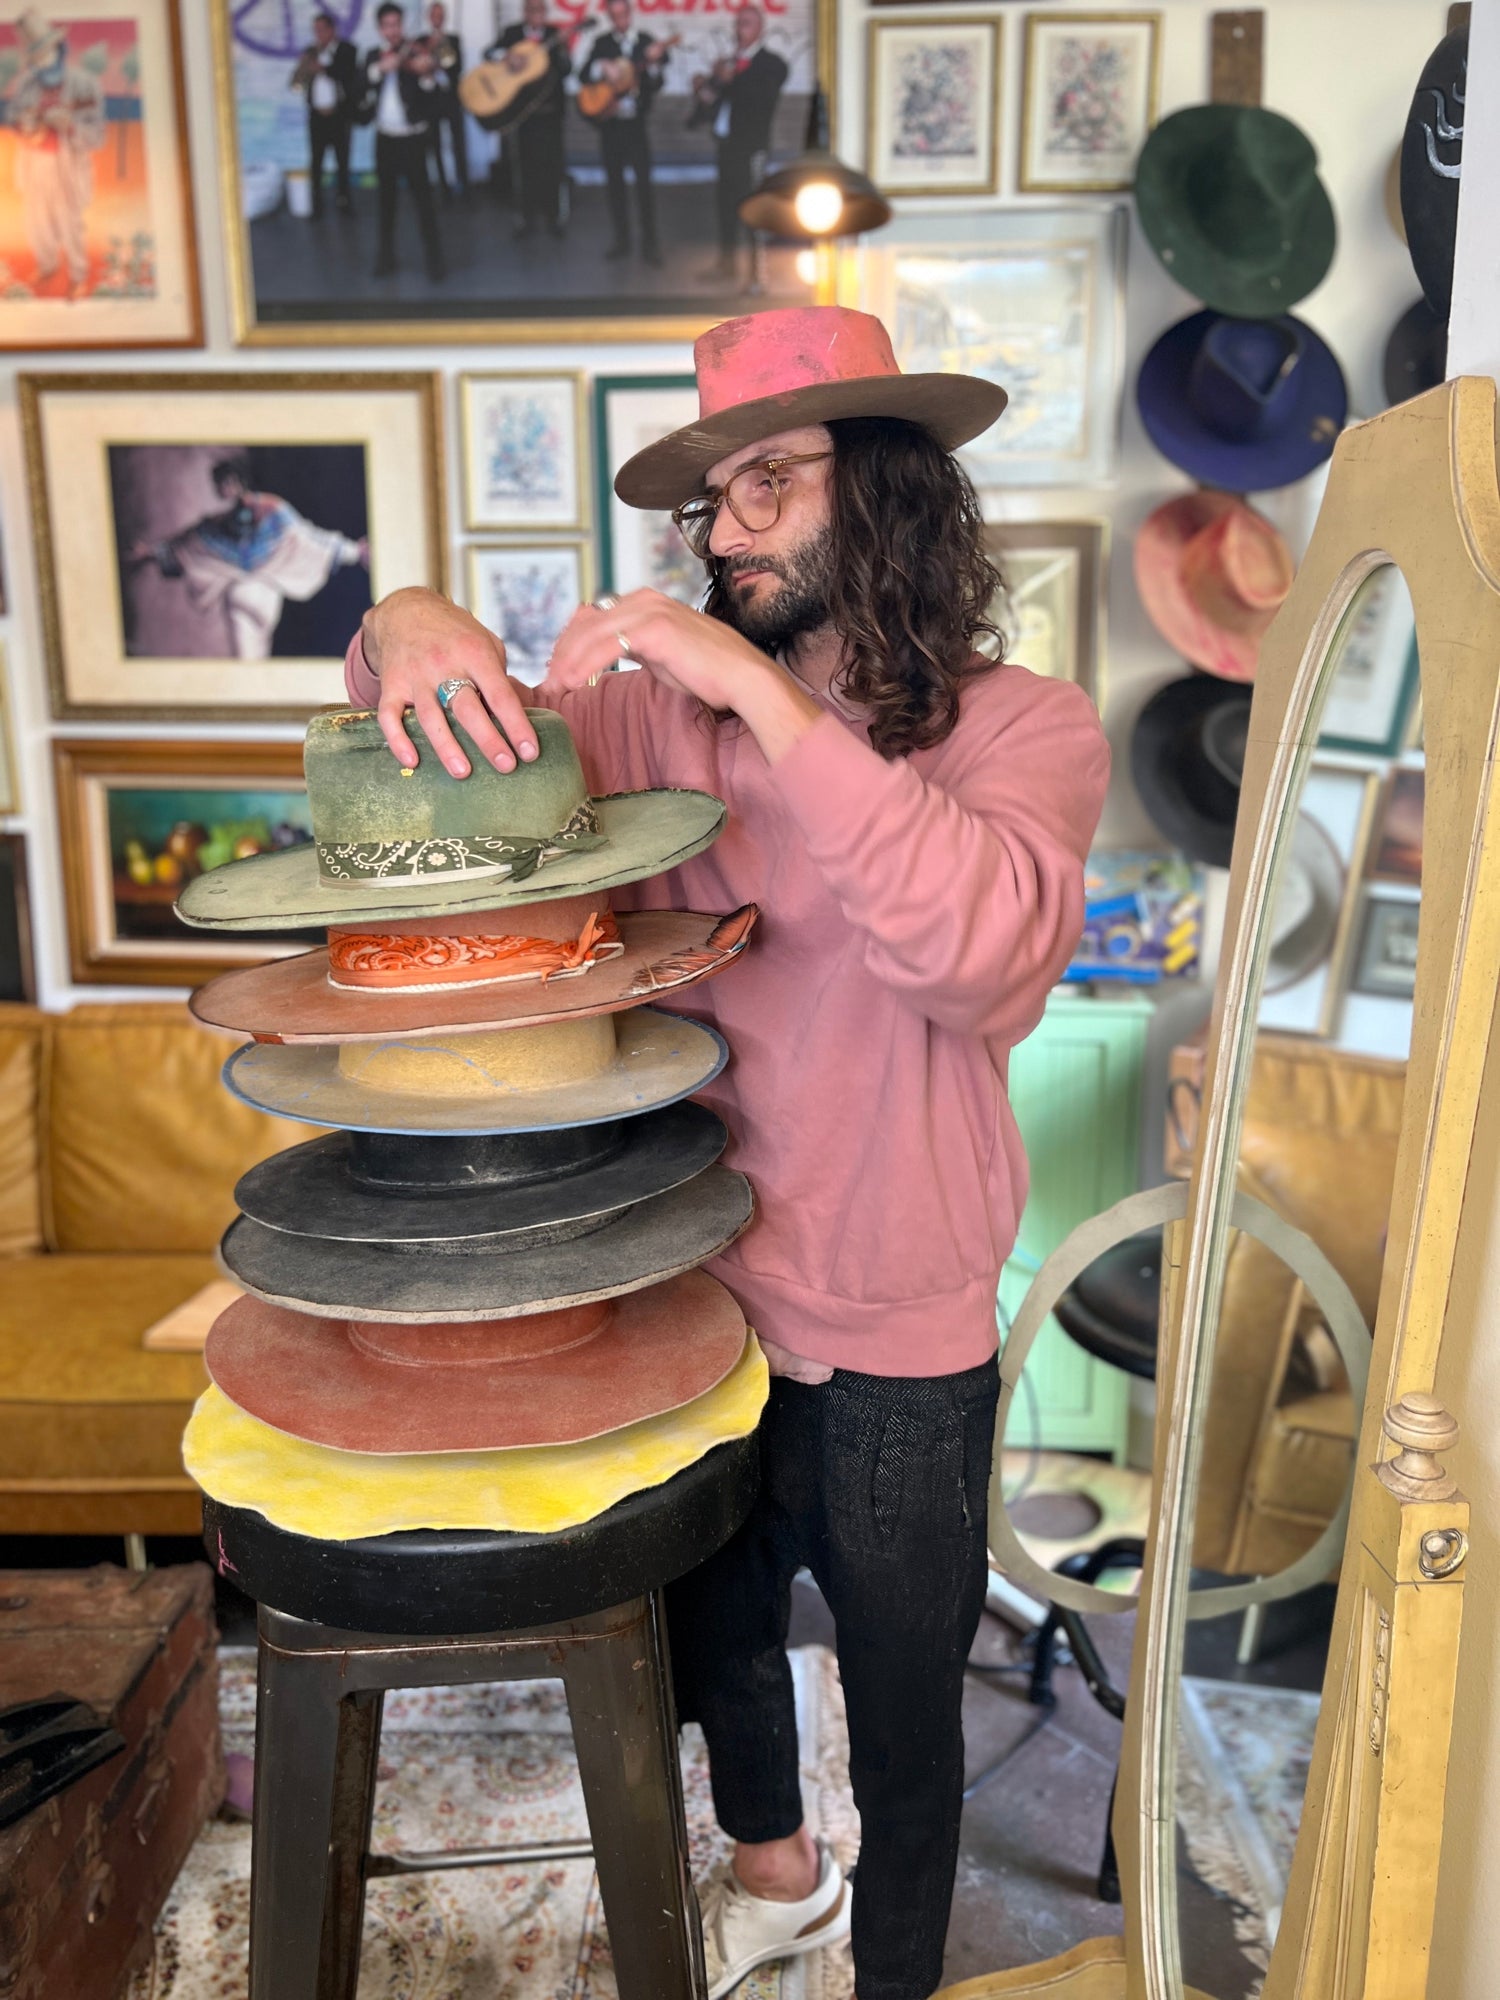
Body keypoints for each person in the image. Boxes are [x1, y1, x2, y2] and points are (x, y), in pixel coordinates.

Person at [342, 304, 1110, 2000]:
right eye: (716, 501)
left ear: (888, 490)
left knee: (907, 1711)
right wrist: (403, 621)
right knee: (714, 1641)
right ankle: (778, 1877)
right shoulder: (647, 729)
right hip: (680, 1289)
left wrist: (760, 693)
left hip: (900, 1331)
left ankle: (897, 1971)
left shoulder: (1025, 727)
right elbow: (451, 758)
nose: (731, 530)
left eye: (774, 482)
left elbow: (977, 956)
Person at [128, 454, 369, 661]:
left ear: (237, 481)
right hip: (241, 598)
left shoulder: (272, 511)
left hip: (262, 594)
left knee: (253, 654)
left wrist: (353, 551)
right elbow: (190, 542)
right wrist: (151, 552)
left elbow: (309, 536)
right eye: (219, 483)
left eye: (225, 482)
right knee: (249, 657)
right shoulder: (222, 522)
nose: (220, 488)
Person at [10, 8, 105, 301]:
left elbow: (96, 133)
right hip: (34, 162)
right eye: (36, 56)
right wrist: (28, 124)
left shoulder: (84, 84)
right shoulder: (27, 85)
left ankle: (78, 275)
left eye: (46, 53)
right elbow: (14, 117)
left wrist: (71, 126)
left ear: (58, 49)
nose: (42, 61)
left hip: (67, 164)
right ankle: (47, 264)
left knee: (69, 221)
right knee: (37, 220)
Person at [689, 5, 786, 285]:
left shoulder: (772, 64)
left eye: (747, 23)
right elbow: (715, 100)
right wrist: (703, 90)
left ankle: (757, 275)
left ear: (760, 29)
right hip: (727, 145)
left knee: (753, 209)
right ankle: (727, 264)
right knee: (725, 206)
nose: (740, 29)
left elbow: (760, 99)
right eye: (738, 23)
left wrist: (731, 79)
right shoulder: (728, 63)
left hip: (751, 147)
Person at [356, 1, 448, 281]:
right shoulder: (373, 56)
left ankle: (435, 262)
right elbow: (359, 86)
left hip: (413, 139)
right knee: (386, 203)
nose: (393, 30)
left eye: (396, 24)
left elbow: (436, 99)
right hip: (385, 138)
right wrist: (380, 69)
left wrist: (427, 76)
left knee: (423, 202)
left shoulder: (416, 51)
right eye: (387, 26)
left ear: (402, 25)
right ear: (380, 29)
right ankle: (386, 258)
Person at [580, 0, 668, 265]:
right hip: (611, 125)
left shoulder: (645, 41)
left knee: (644, 186)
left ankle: (650, 244)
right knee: (615, 185)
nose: (620, 19)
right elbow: (583, 74)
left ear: (630, 14)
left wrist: (653, 64)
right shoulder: (602, 43)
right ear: (609, 17)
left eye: (623, 14)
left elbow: (657, 82)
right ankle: (621, 240)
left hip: (636, 125)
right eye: (614, 15)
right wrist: (601, 66)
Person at [485, 0, 572, 239]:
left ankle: (554, 218)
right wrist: (508, 56)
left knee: (552, 166)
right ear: (525, 12)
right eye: (532, 10)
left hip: (550, 113)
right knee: (524, 168)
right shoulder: (512, 33)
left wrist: (563, 48)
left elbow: (566, 70)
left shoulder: (554, 34)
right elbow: (489, 53)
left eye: (541, 10)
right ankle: (526, 219)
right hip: (523, 114)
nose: (537, 15)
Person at [291, 11, 358, 218]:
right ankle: (316, 205)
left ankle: (344, 201)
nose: (318, 35)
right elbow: (296, 83)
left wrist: (322, 68)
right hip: (317, 116)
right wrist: (303, 68)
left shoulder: (347, 49)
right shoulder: (311, 52)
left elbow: (346, 72)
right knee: (316, 161)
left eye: (321, 30)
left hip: (339, 114)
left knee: (342, 160)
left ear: (332, 30)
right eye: (316, 31)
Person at [423, 1, 469, 198]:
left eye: (440, 15)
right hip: (431, 99)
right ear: (429, 17)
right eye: (434, 15)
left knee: (458, 142)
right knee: (435, 143)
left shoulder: (453, 39)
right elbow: (421, 66)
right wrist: (429, 48)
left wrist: (442, 46)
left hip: (450, 97)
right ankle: (443, 186)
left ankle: (463, 184)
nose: (437, 18)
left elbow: (455, 67)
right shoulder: (422, 40)